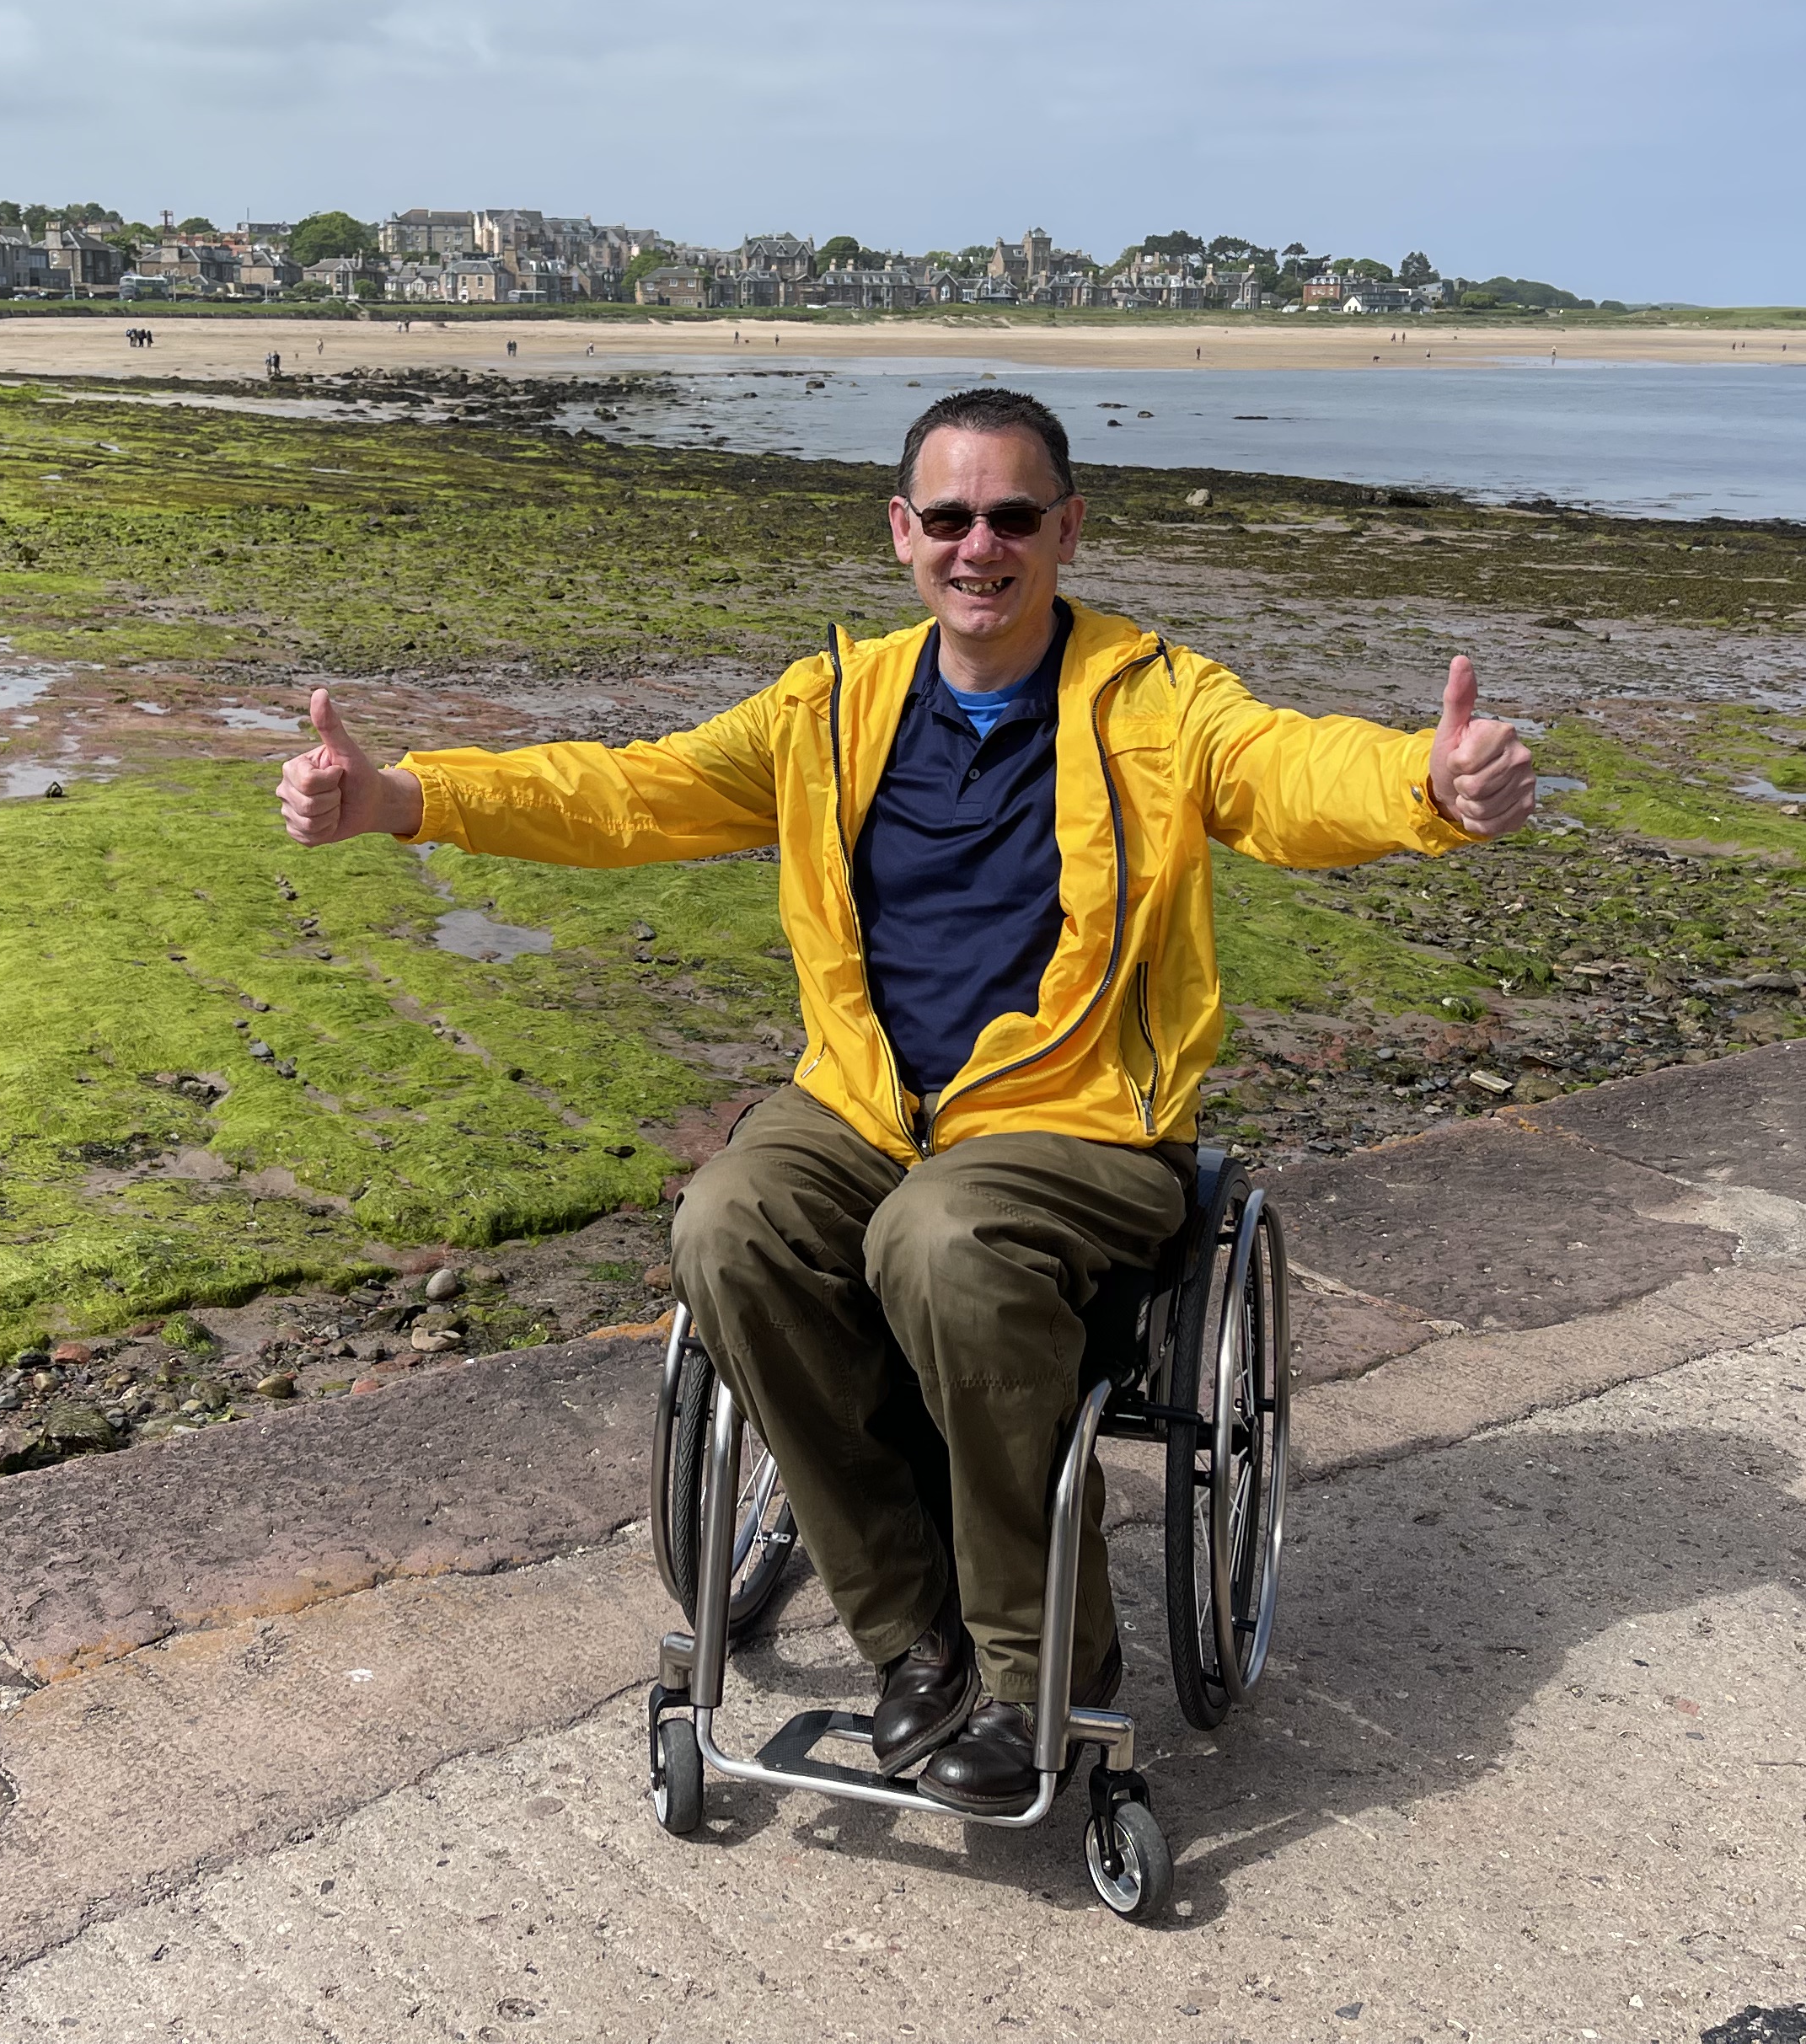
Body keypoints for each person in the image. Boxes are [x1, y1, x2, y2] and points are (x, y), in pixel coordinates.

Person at [276, 386, 1532, 1810]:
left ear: (1067, 529)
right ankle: (914, 1639)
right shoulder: (835, 709)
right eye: (949, 517)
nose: (977, 546)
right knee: (729, 1225)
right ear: (901, 534)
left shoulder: (1158, 702)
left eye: (1010, 516)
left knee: (939, 1241)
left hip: (1074, 1121)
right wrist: (403, 799)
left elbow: (1292, 771)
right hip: (869, 1106)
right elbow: (631, 791)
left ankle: (1043, 1666)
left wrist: (1427, 785)